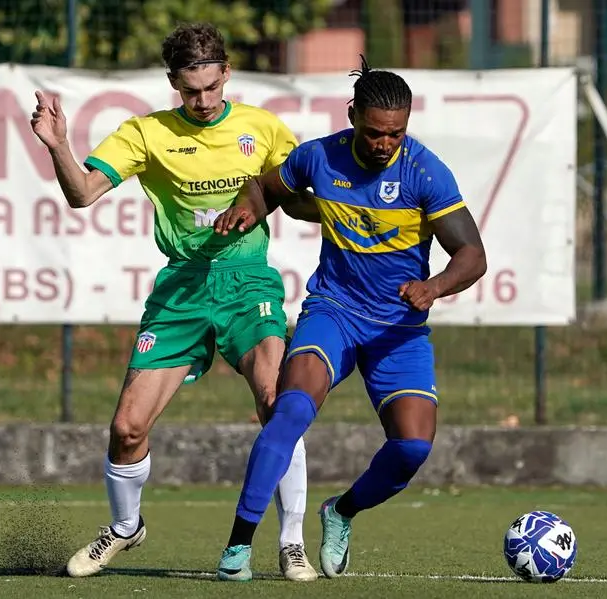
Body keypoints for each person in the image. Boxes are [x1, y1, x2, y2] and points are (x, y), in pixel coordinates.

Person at [29, 22, 320, 582]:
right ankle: (124, 528)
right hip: (182, 289)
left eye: (212, 87)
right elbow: (82, 194)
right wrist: (59, 145)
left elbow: (298, 199)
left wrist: (336, 206)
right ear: (173, 84)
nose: (204, 101)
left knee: (275, 399)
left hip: (247, 284)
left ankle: (290, 542)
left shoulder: (263, 129)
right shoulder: (145, 134)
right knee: (127, 428)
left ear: (226, 73)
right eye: (191, 91)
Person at [212, 56, 487, 582]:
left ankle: (340, 512)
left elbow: (472, 255)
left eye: (397, 134)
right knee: (288, 411)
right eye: (377, 133)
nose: (387, 144)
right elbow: (268, 189)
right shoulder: (319, 157)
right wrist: (251, 207)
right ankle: (237, 548)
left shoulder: (424, 171)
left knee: (411, 447)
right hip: (334, 312)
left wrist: (433, 287)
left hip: (398, 329)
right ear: (354, 115)